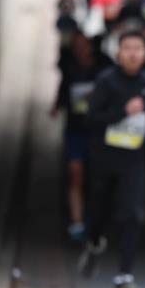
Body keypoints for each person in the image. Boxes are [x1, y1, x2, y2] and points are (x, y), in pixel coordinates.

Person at [79, 30, 145, 288]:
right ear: (118, 53)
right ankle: (94, 243)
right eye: (127, 48)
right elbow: (90, 119)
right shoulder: (107, 81)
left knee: (133, 214)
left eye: (138, 48)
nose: (132, 53)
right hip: (104, 160)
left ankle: (124, 276)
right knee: (100, 212)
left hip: (135, 161)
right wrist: (123, 112)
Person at [50, 33, 114, 242]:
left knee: (96, 180)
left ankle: (95, 220)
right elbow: (63, 91)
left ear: (90, 48)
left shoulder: (103, 71)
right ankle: (77, 222)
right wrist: (57, 106)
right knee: (75, 174)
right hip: (75, 130)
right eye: (75, 45)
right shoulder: (70, 69)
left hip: (97, 133)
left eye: (83, 45)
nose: (79, 49)